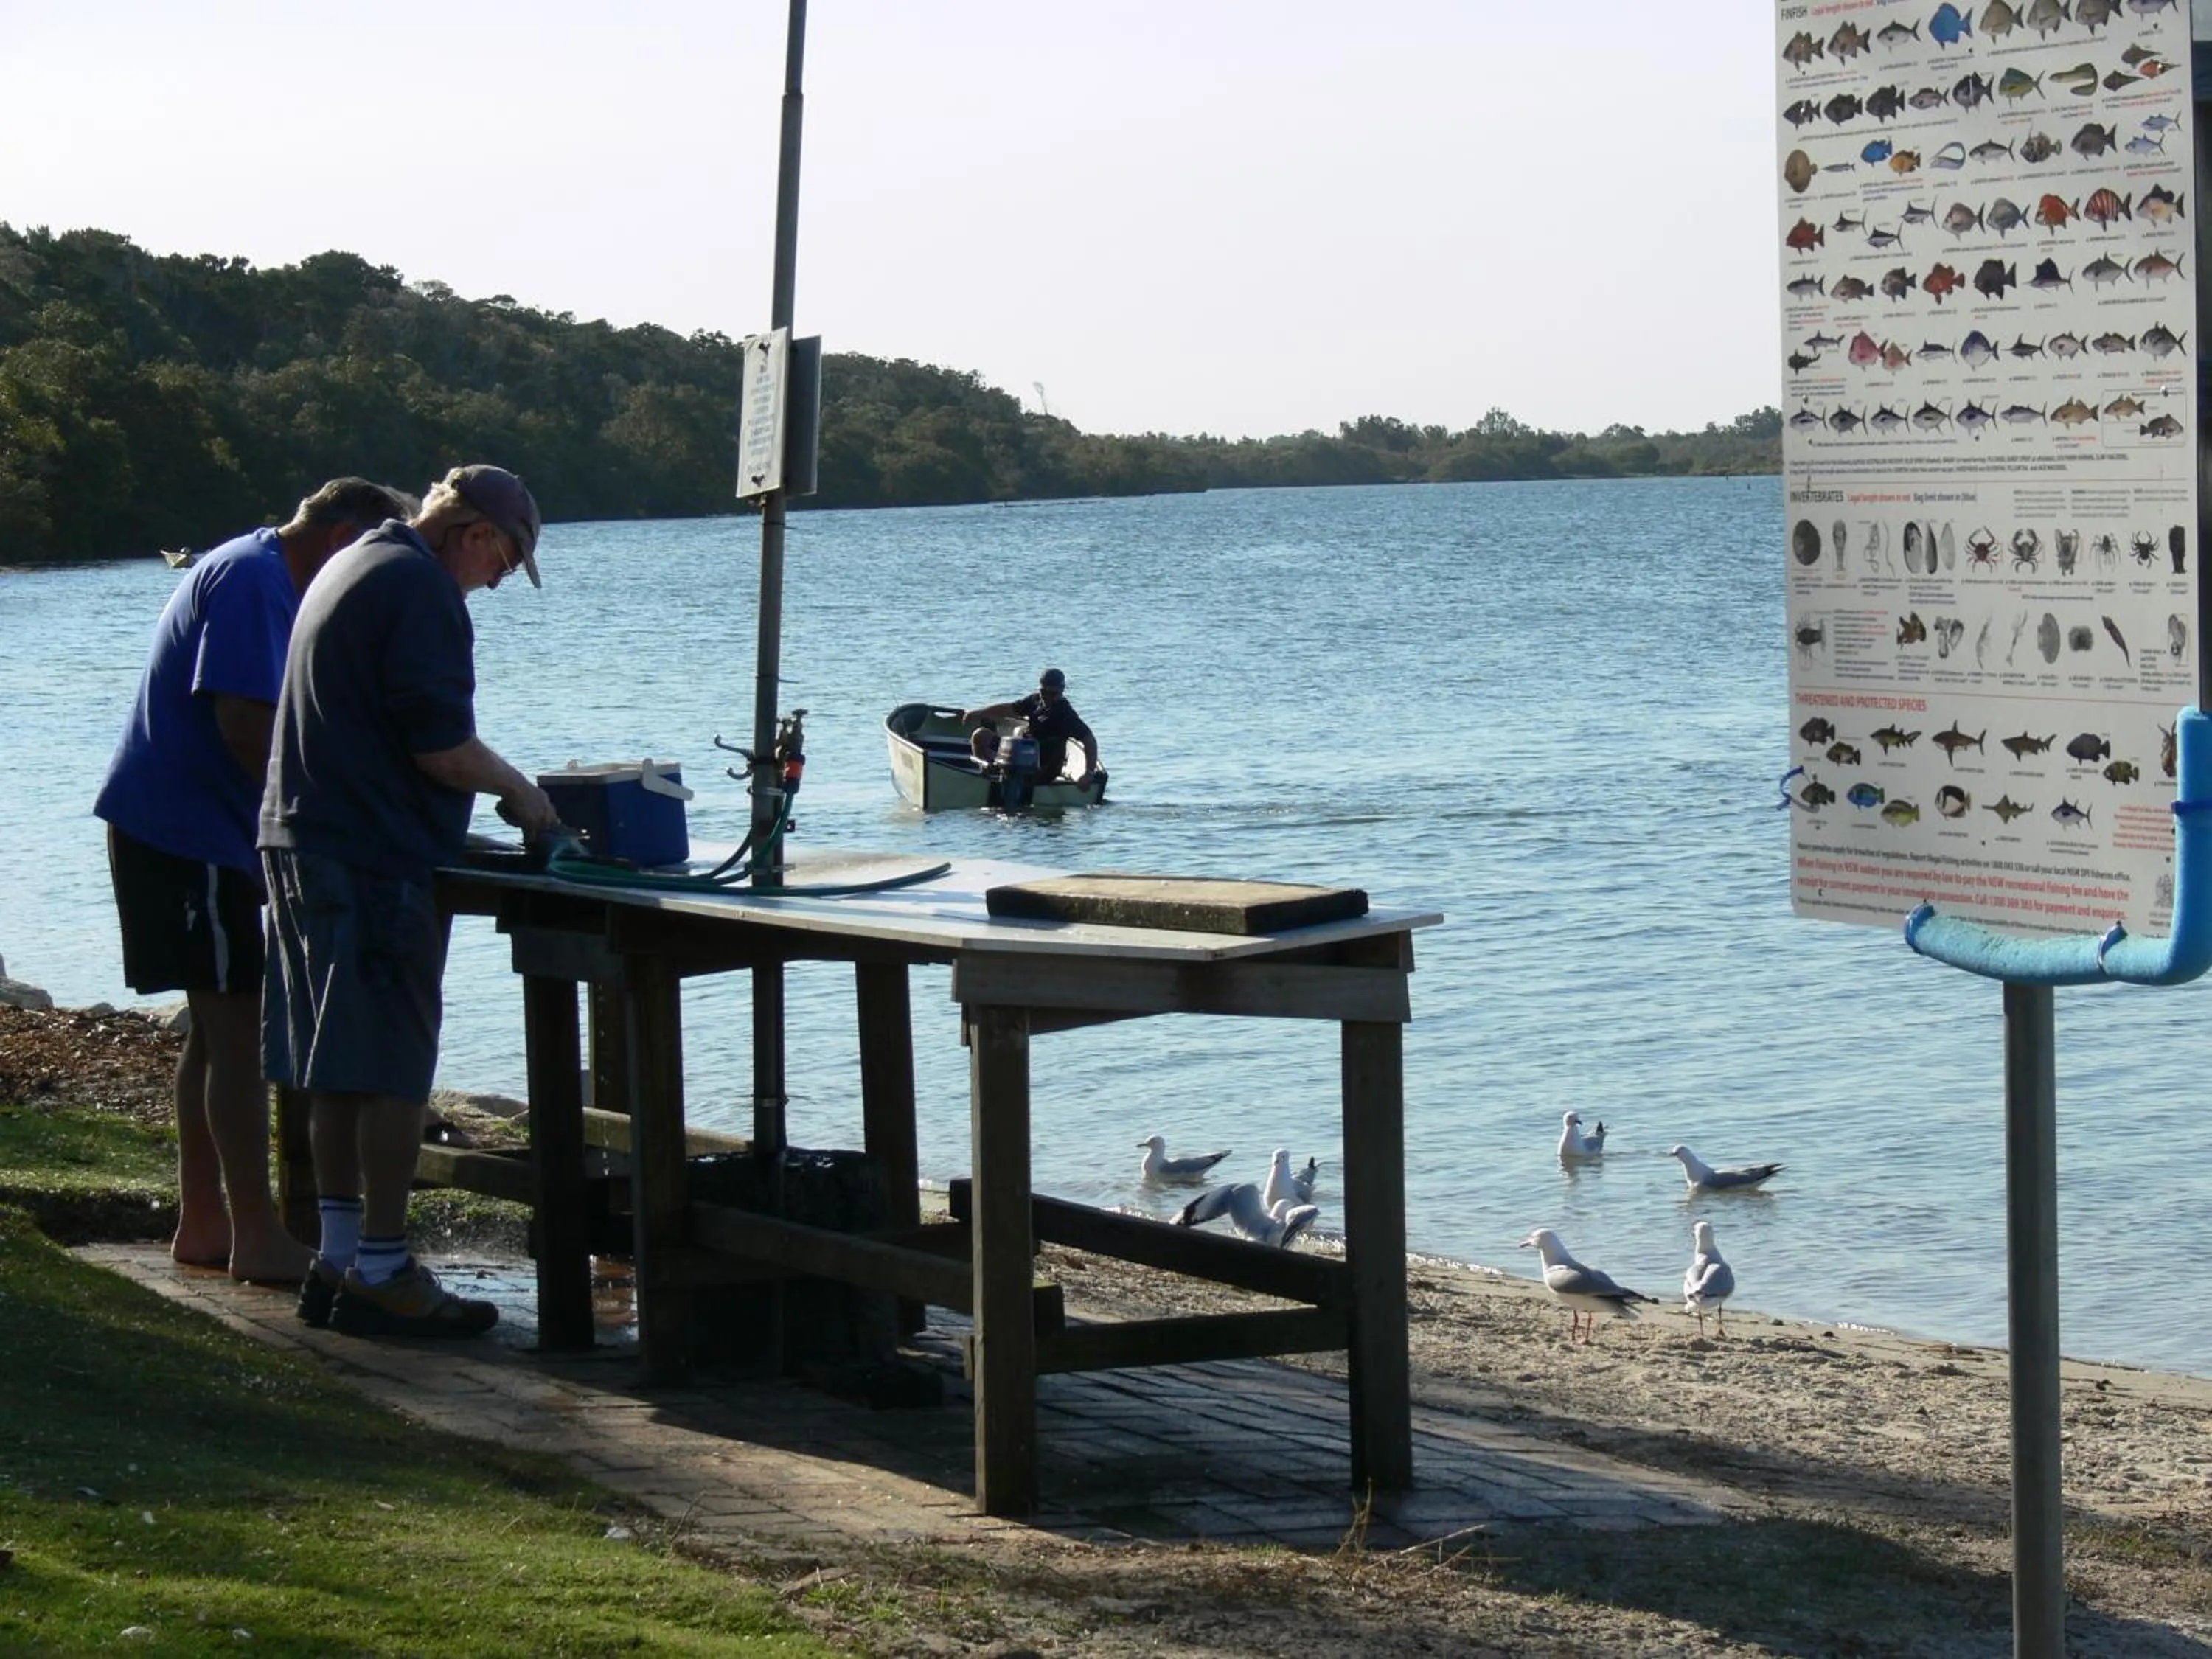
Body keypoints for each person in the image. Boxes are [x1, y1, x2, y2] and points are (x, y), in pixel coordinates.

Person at [260, 465, 563, 1338]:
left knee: (336, 1066)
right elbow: (438, 744)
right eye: (506, 558)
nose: (501, 577)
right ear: (472, 533)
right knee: (393, 1067)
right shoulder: (422, 590)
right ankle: (386, 1269)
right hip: (367, 857)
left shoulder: (355, 559)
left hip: (301, 837)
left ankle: (338, 1259)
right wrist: (524, 796)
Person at [92, 477, 418, 1284]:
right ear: (345, 534)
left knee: (213, 1030)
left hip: (193, 834)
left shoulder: (262, 570)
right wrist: (328, 812)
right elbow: (244, 724)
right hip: (185, 835)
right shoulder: (253, 580)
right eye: (374, 555)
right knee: (240, 1034)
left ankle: (204, 1222)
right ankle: (257, 1236)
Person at [960, 667, 1103, 785]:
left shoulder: (1066, 715)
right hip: (1019, 755)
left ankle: (1015, 779)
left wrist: (1089, 773)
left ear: (1062, 690)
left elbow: (1089, 740)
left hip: (1043, 766)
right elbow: (1009, 709)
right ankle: (990, 770)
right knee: (980, 736)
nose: (1047, 697)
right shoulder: (1035, 700)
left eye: (1052, 693)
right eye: (1044, 692)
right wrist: (979, 713)